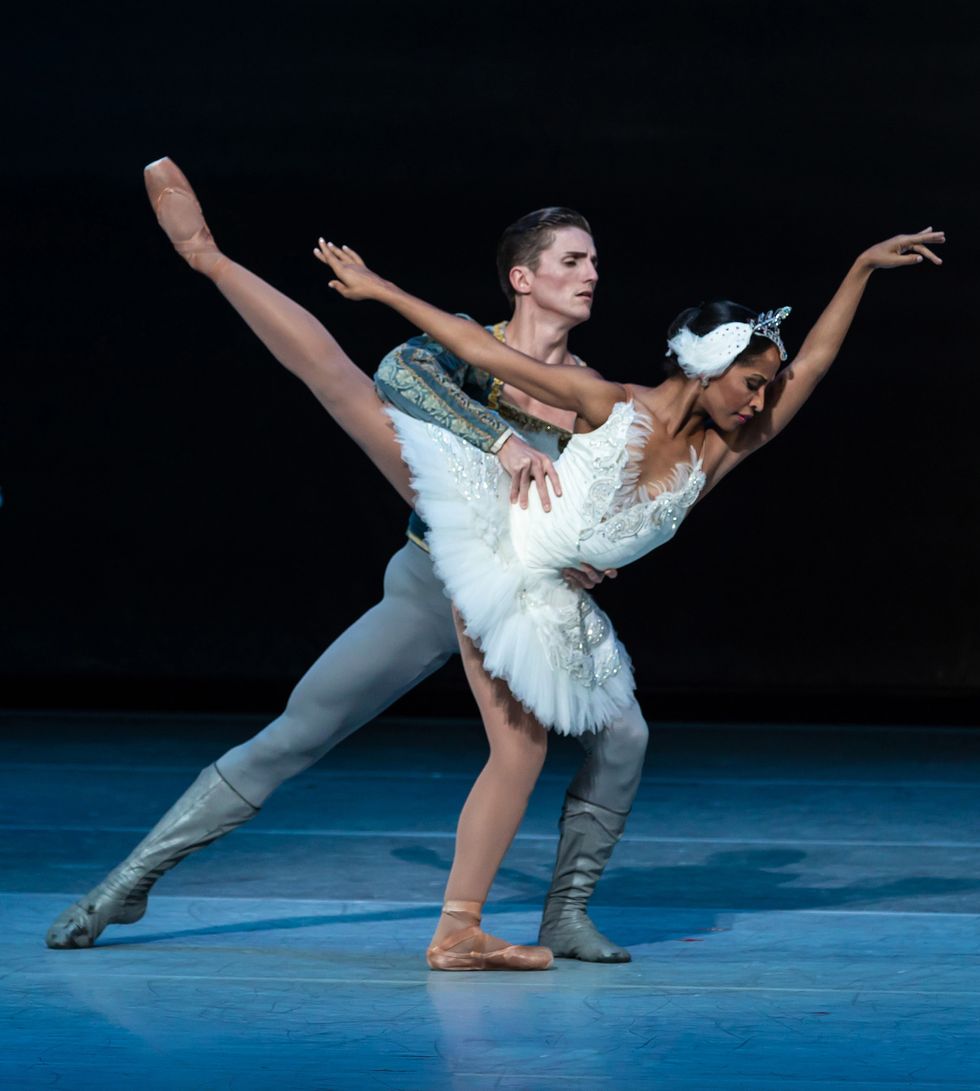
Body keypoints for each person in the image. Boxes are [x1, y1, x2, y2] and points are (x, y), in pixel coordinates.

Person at [45, 159, 650, 969]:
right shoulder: (467, 348)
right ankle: (130, 877)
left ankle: (565, 913)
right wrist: (500, 440)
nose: (592, 274)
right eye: (573, 260)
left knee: (622, 734)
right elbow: (385, 376)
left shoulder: (588, 392)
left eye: (595, 261)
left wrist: (590, 558)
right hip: (430, 574)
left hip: (513, 592)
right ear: (523, 276)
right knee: (300, 728)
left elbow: (594, 509)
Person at [310, 224, 943, 733]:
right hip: (498, 554)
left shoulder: (729, 446)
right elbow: (483, 352)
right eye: (752, 384)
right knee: (343, 385)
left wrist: (861, 267)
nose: (759, 402)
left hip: (557, 588)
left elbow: (815, 363)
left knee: (624, 743)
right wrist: (383, 290)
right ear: (705, 368)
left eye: (766, 389)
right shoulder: (611, 402)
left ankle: (565, 897)